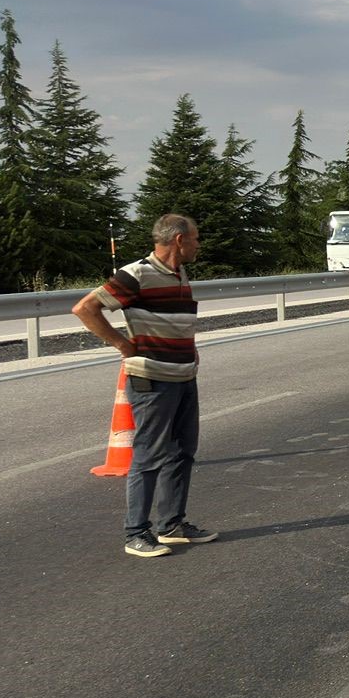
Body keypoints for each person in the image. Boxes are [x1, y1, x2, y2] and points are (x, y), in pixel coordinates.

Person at [72, 213, 218, 558]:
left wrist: (190, 350)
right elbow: (85, 308)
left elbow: (176, 320)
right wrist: (122, 344)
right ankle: (136, 533)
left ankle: (172, 525)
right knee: (149, 456)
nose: (199, 244)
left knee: (182, 452)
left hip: (183, 377)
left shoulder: (179, 272)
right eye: (195, 238)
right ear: (179, 240)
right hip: (152, 380)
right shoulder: (136, 274)